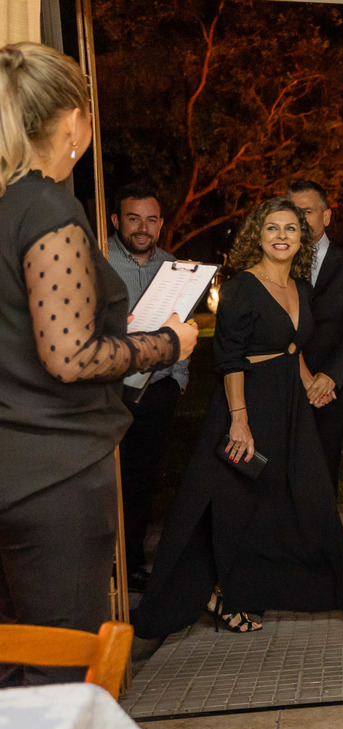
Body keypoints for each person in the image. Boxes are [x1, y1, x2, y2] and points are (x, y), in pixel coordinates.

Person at [0, 42, 197, 686]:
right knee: (54, 673)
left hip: (13, 465)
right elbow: (68, 355)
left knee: (13, 666)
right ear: (70, 123)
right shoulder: (48, 207)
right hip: (51, 477)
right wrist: (169, 343)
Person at [131, 198, 343, 637]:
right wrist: (239, 420)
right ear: (259, 235)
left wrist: (309, 383)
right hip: (246, 404)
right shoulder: (241, 289)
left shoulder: (299, 288)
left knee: (313, 499)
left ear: (301, 238)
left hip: (290, 404)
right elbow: (230, 358)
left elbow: (293, 347)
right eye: (273, 228)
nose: (283, 235)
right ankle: (230, 596)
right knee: (238, 508)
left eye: (291, 228)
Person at [108, 182, 188, 592]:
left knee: (142, 480)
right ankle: (104, 567)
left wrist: (176, 381)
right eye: (134, 218)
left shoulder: (174, 267)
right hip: (108, 391)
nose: (143, 227)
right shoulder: (96, 261)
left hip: (156, 391)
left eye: (151, 219)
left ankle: (133, 564)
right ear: (116, 221)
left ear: (160, 224)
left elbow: (183, 324)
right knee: (106, 481)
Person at [285, 180, 343, 500]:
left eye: (307, 212)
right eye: (293, 211)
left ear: (326, 216)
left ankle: (321, 547)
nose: (299, 219)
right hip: (281, 387)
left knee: (322, 480)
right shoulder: (276, 264)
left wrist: (330, 377)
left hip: (327, 395)